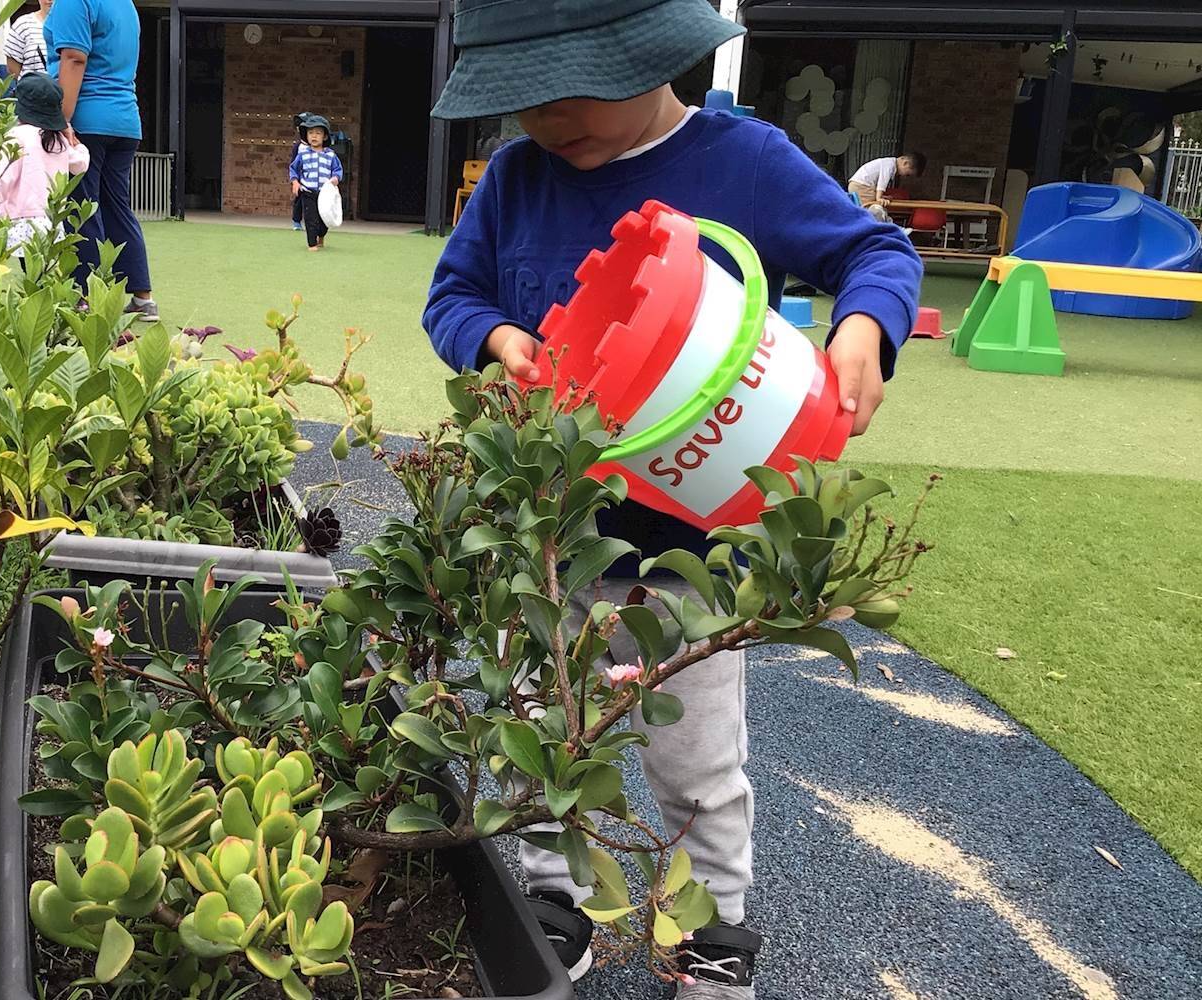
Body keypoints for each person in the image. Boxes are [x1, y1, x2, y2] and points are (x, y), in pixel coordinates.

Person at [421, 1, 923, 997]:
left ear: (650, 56)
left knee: (694, 757)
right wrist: (496, 339)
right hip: (549, 540)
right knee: (542, 730)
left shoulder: (744, 160)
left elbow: (874, 253)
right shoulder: (518, 177)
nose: (545, 120)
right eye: (521, 101)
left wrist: (865, 328)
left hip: (686, 548)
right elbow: (453, 295)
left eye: (568, 91)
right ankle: (553, 899)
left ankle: (711, 924)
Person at [43, 0, 158, 320]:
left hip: (85, 120)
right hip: (125, 119)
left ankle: (84, 297)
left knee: (82, 208)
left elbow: (74, 57)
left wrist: (61, 119)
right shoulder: (125, 4)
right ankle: (143, 297)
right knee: (116, 206)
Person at [0, 74, 89, 258]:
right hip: (51, 219)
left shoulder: (16, 135)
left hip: (20, 217)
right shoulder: (58, 139)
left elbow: (4, 178)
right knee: (42, 270)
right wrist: (74, 141)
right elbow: (80, 166)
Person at [289, 115, 342, 252]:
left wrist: (336, 178)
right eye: (310, 133)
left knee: (324, 219)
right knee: (310, 218)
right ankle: (312, 244)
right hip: (308, 191)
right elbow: (293, 169)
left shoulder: (330, 155)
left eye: (318, 133)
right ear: (306, 136)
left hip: (325, 194)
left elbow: (337, 169)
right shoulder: (303, 154)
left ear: (325, 136)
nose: (314, 136)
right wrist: (295, 182)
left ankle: (321, 235)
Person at [848, 150, 927, 221]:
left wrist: (881, 197)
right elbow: (882, 181)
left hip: (861, 185)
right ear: (905, 163)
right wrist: (879, 197)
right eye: (907, 174)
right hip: (861, 185)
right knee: (875, 208)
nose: (904, 176)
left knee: (879, 209)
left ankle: (888, 224)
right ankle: (883, 226)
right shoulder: (890, 164)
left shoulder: (888, 162)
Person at [4, 0, 52, 80]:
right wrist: (27, 83)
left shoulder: (71, 24)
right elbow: (12, 66)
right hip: (33, 86)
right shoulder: (23, 24)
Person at [290, 112, 312, 231]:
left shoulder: (319, 146)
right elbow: (293, 164)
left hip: (314, 178)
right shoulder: (298, 146)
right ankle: (296, 221)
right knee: (299, 199)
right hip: (301, 178)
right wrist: (295, 180)